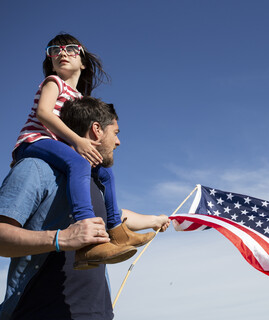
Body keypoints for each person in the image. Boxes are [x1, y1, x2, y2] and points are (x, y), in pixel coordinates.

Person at [0, 97, 170, 319]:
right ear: (97, 130)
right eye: (116, 132)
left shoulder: (93, 180)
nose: (118, 142)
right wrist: (61, 239)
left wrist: (156, 220)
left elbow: (116, 216)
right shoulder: (36, 169)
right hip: (39, 312)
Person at [12, 33, 147, 269]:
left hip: (58, 144)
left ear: (82, 62)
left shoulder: (79, 98)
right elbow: (43, 113)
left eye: (70, 49)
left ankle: (117, 230)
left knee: (105, 172)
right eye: (55, 50)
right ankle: (88, 238)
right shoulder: (53, 82)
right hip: (35, 139)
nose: (62, 53)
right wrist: (77, 141)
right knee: (79, 163)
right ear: (51, 61)